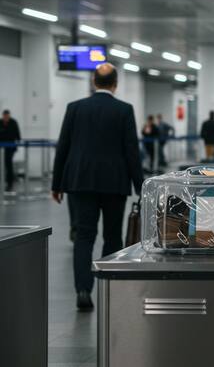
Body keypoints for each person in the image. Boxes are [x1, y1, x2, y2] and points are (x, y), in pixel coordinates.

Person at [51, 63, 143, 311]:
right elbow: (131, 152)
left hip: (80, 182)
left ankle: (83, 290)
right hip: (114, 182)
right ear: (115, 84)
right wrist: (140, 186)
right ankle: (109, 287)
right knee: (112, 236)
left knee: (84, 236)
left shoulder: (75, 108)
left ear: (94, 81)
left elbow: (64, 147)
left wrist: (56, 184)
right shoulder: (124, 110)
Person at [0, 110, 21, 192]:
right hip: (1, 147)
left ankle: (10, 183)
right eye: (5, 116)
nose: (6, 117)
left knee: (8, 164)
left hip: (10, 147)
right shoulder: (0, 122)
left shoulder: (13, 122)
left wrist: (18, 142)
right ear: (3, 116)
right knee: (3, 164)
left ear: (9, 116)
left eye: (7, 116)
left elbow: (18, 134)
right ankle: (3, 181)